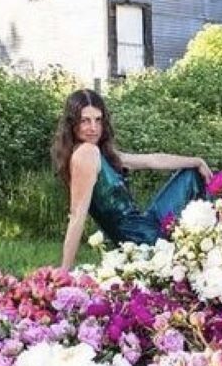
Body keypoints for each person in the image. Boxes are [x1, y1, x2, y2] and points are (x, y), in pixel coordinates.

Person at [54, 88, 211, 268]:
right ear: (72, 124)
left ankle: (204, 247)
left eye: (98, 120)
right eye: (85, 121)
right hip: (140, 239)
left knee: (191, 173)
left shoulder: (100, 154)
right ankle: (208, 252)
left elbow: (151, 160)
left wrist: (197, 161)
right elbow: (77, 215)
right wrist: (64, 273)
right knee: (194, 180)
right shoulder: (86, 154)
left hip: (145, 224)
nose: (93, 128)